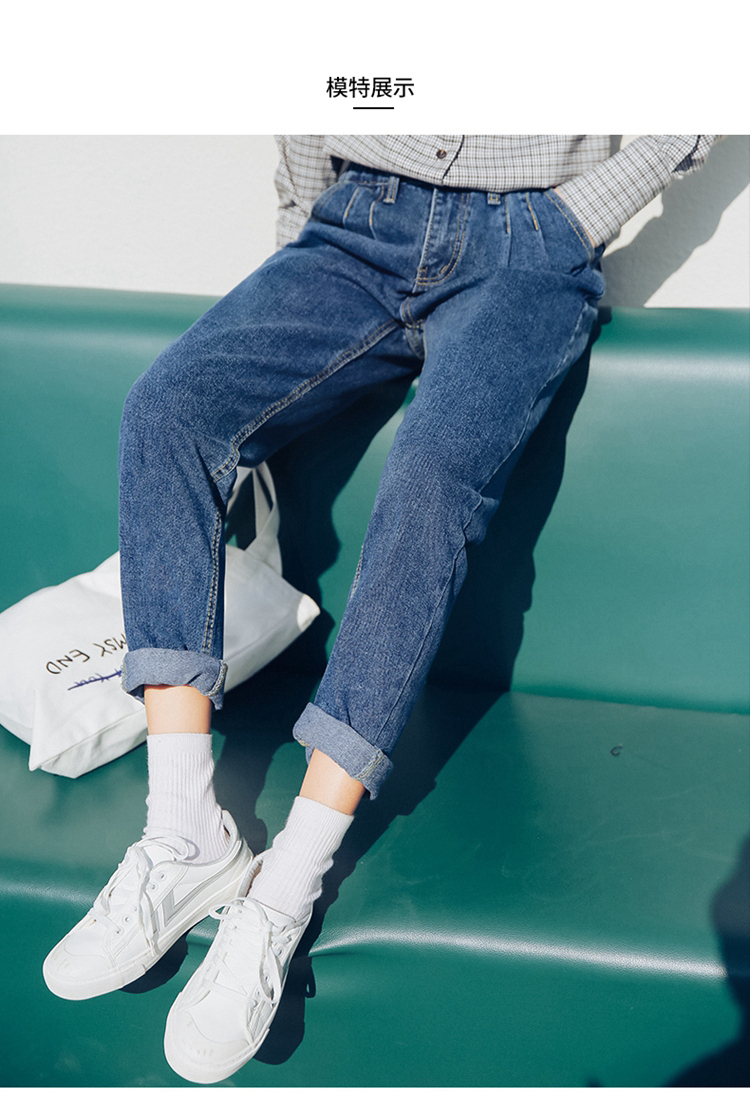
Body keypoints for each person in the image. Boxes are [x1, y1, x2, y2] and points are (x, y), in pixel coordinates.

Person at [42, 135, 717, 1084]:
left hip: (533, 237)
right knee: (168, 409)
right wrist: (301, 228)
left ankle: (288, 882)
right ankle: (184, 832)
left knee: (432, 484)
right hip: (358, 219)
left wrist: (576, 217)